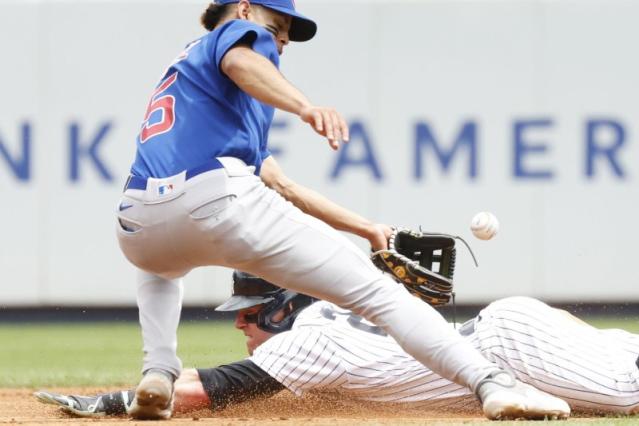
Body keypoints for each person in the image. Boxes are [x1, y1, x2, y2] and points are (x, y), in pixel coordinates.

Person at [114, 0, 568, 420]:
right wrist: (304, 106)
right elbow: (240, 58)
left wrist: (366, 227)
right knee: (380, 295)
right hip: (215, 197)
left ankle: (158, 372)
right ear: (245, 9)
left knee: (159, 270)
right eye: (276, 29)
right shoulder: (232, 39)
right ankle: (491, 382)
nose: (281, 43)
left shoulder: (194, 81)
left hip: (137, 221)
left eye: (285, 38)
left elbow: (282, 184)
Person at [35, 273, 639, 418]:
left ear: (279, 306)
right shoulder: (333, 307)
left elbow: (207, 389)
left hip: (514, 347)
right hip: (507, 332)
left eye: (248, 315)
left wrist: (111, 403)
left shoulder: (308, 340)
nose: (241, 327)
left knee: (626, 393)